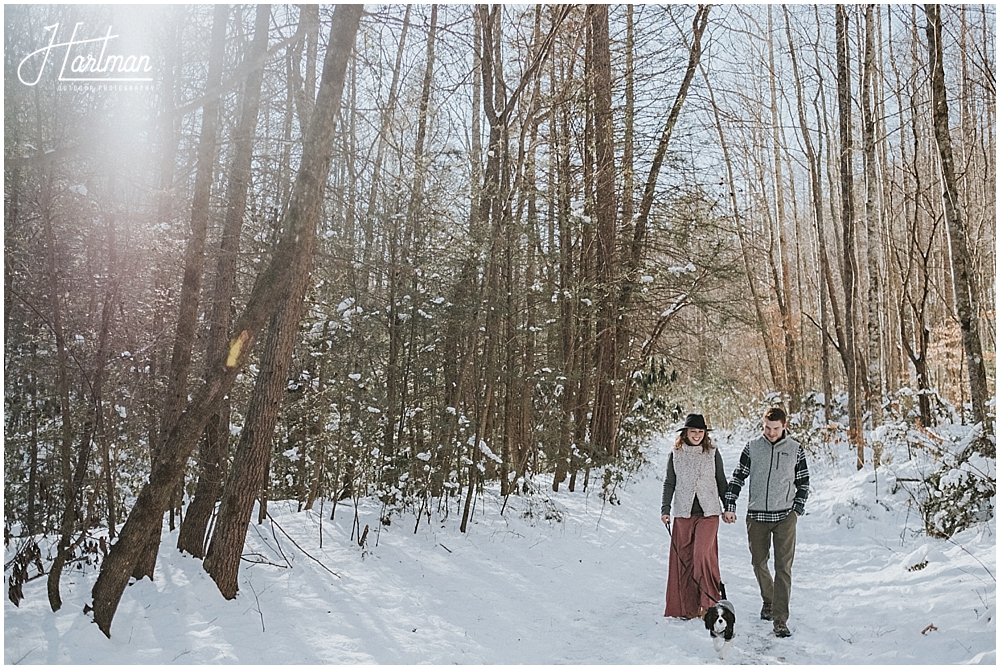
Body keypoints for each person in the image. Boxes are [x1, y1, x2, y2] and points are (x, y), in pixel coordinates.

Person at [722, 406, 810, 638]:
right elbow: (738, 477)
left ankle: (780, 619)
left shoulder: (795, 450)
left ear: (784, 427)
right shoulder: (752, 448)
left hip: (785, 517)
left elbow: (804, 482)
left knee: (783, 568)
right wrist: (730, 505)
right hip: (757, 516)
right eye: (767, 428)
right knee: (758, 562)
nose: (771, 433)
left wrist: (796, 510)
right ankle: (768, 600)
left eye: (776, 428)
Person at [661, 413, 728, 620]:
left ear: (705, 434)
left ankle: (709, 604)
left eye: (700, 432)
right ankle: (687, 608)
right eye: (693, 431)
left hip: (709, 512)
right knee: (684, 559)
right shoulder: (676, 454)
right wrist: (665, 509)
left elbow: (721, 481)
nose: (697, 435)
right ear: (685, 433)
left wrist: (729, 506)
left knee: (702, 556)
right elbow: (669, 482)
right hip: (683, 512)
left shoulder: (712, 453)